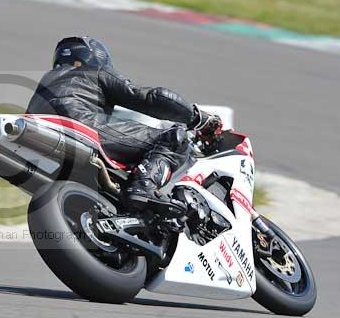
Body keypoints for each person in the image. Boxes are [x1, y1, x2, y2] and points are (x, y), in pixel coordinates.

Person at [26, 36, 221, 211]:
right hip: (81, 126)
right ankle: (144, 187)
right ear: (97, 56)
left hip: (38, 139)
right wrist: (198, 118)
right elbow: (152, 98)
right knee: (175, 138)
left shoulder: (45, 83)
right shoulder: (94, 71)